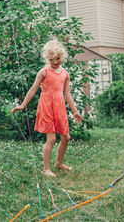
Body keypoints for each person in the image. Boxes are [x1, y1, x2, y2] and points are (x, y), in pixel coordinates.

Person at [11, 39, 83, 177]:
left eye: (58, 58)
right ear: (46, 58)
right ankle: (46, 168)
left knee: (66, 137)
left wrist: (75, 112)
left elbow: (68, 94)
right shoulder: (43, 72)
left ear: (62, 56)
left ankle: (59, 163)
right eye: (51, 59)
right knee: (51, 139)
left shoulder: (65, 74)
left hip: (60, 106)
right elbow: (33, 89)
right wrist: (23, 105)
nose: (55, 62)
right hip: (46, 106)